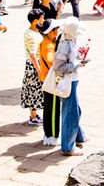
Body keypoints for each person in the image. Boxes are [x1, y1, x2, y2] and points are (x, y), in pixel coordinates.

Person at [53, 17, 87, 156]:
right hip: (67, 81)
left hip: (72, 79)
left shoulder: (69, 40)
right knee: (70, 112)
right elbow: (59, 66)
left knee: (75, 110)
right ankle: (68, 146)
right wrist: (76, 65)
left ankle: (79, 136)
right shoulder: (64, 44)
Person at [38, 18, 62, 146]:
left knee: (48, 107)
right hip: (51, 81)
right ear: (51, 31)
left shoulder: (45, 42)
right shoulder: (49, 45)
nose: (58, 31)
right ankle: (52, 135)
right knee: (53, 109)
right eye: (56, 29)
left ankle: (47, 133)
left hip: (45, 80)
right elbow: (51, 61)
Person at [22, 9, 45, 125]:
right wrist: (39, 69)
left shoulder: (33, 32)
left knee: (34, 90)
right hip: (34, 65)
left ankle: (34, 115)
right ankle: (33, 117)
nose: (43, 20)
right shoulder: (32, 35)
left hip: (34, 64)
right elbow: (32, 54)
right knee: (34, 91)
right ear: (35, 21)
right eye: (42, 18)